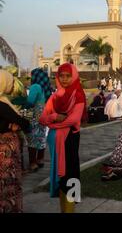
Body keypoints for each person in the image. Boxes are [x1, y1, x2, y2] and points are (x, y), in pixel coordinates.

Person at [39, 63, 86, 213]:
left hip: (70, 140)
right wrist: (54, 117)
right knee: (60, 176)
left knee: (70, 174)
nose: (65, 79)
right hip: (56, 142)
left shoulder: (77, 94)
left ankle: (70, 210)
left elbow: (74, 119)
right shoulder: (55, 96)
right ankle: (63, 210)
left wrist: (54, 124)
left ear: (74, 76)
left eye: (68, 75)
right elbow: (42, 118)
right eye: (61, 76)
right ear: (57, 77)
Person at [0, 70, 31, 213]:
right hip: (6, 152)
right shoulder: (3, 105)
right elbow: (25, 124)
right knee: (7, 185)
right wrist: (9, 125)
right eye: (11, 82)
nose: (13, 85)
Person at [26, 68, 51, 172]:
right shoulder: (46, 87)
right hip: (43, 114)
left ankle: (32, 163)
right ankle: (40, 160)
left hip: (34, 115)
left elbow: (30, 102)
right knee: (41, 137)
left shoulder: (35, 86)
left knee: (32, 138)